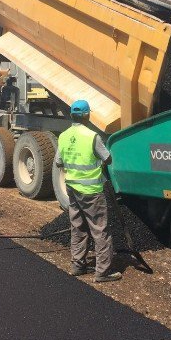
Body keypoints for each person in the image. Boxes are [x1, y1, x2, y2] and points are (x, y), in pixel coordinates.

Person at [55, 99, 122, 283]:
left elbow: (59, 162)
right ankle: (103, 272)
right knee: (100, 230)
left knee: (78, 226)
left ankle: (78, 265)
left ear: (71, 115)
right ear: (87, 115)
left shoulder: (64, 136)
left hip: (72, 188)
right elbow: (107, 159)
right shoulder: (92, 136)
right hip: (91, 191)